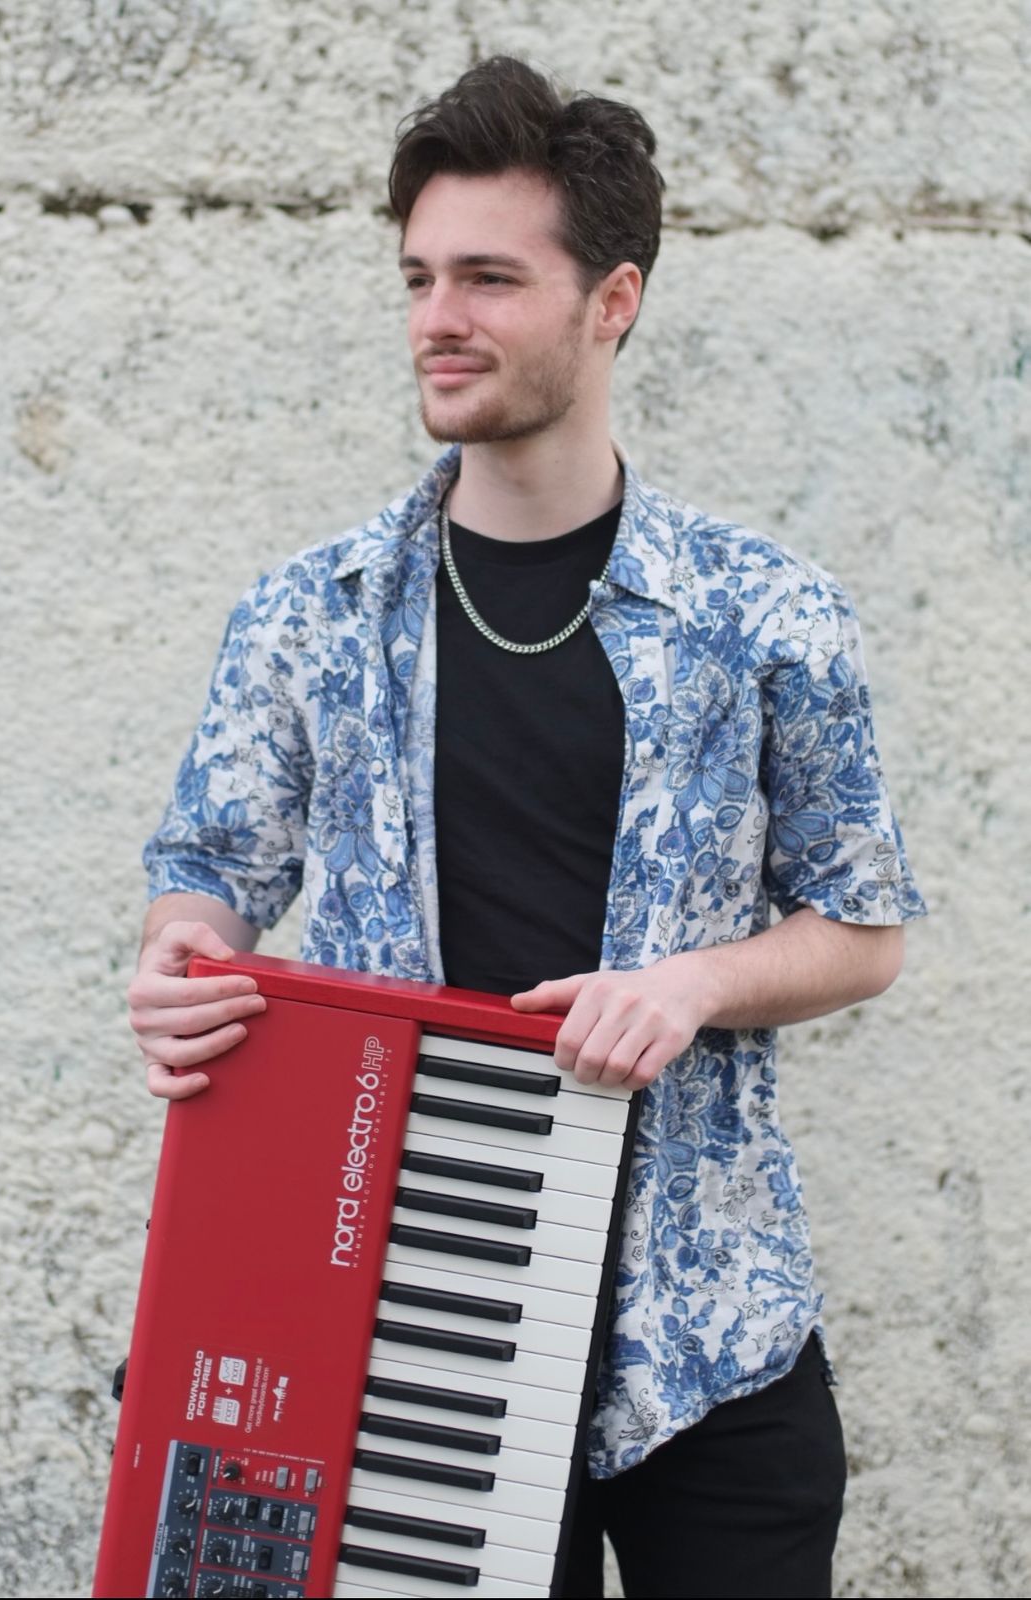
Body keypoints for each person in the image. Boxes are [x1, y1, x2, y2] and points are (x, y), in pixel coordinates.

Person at [129, 55, 924, 1599]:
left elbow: (864, 925)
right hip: (411, 1323)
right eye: (419, 276)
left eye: (490, 278)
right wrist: (181, 959)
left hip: (709, 1325)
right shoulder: (308, 614)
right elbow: (211, 875)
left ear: (613, 301)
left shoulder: (768, 613)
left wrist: (691, 985)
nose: (439, 316)